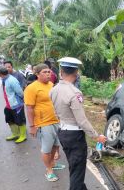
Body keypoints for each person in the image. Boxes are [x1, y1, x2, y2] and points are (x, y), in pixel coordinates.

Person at [50, 57, 106, 190]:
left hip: (62, 132)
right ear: (76, 73)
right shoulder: (75, 93)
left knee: (74, 165)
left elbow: (55, 111)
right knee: (77, 172)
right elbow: (81, 120)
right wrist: (97, 136)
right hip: (75, 136)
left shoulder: (54, 89)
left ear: (61, 72)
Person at [24, 64, 65, 182]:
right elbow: (29, 108)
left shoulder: (51, 85)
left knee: (56, 145)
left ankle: (52, 163)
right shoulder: (31, 88)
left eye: (49, 72)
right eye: (45, 72)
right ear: (37, 74)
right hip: (43, 123)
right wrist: (32, 126)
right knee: (46, 148)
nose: (48, 74)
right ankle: (49, 170)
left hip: (55, 120)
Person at [0, 66, 26, 143]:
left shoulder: (12, 80)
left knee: (20, 120)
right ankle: (15, 134)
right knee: (9, 120)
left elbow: (20, 92)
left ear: (0, 74)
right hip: (8, 105)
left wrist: (21, 101)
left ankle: (23, 136)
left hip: (16, 104)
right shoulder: (4, 79)